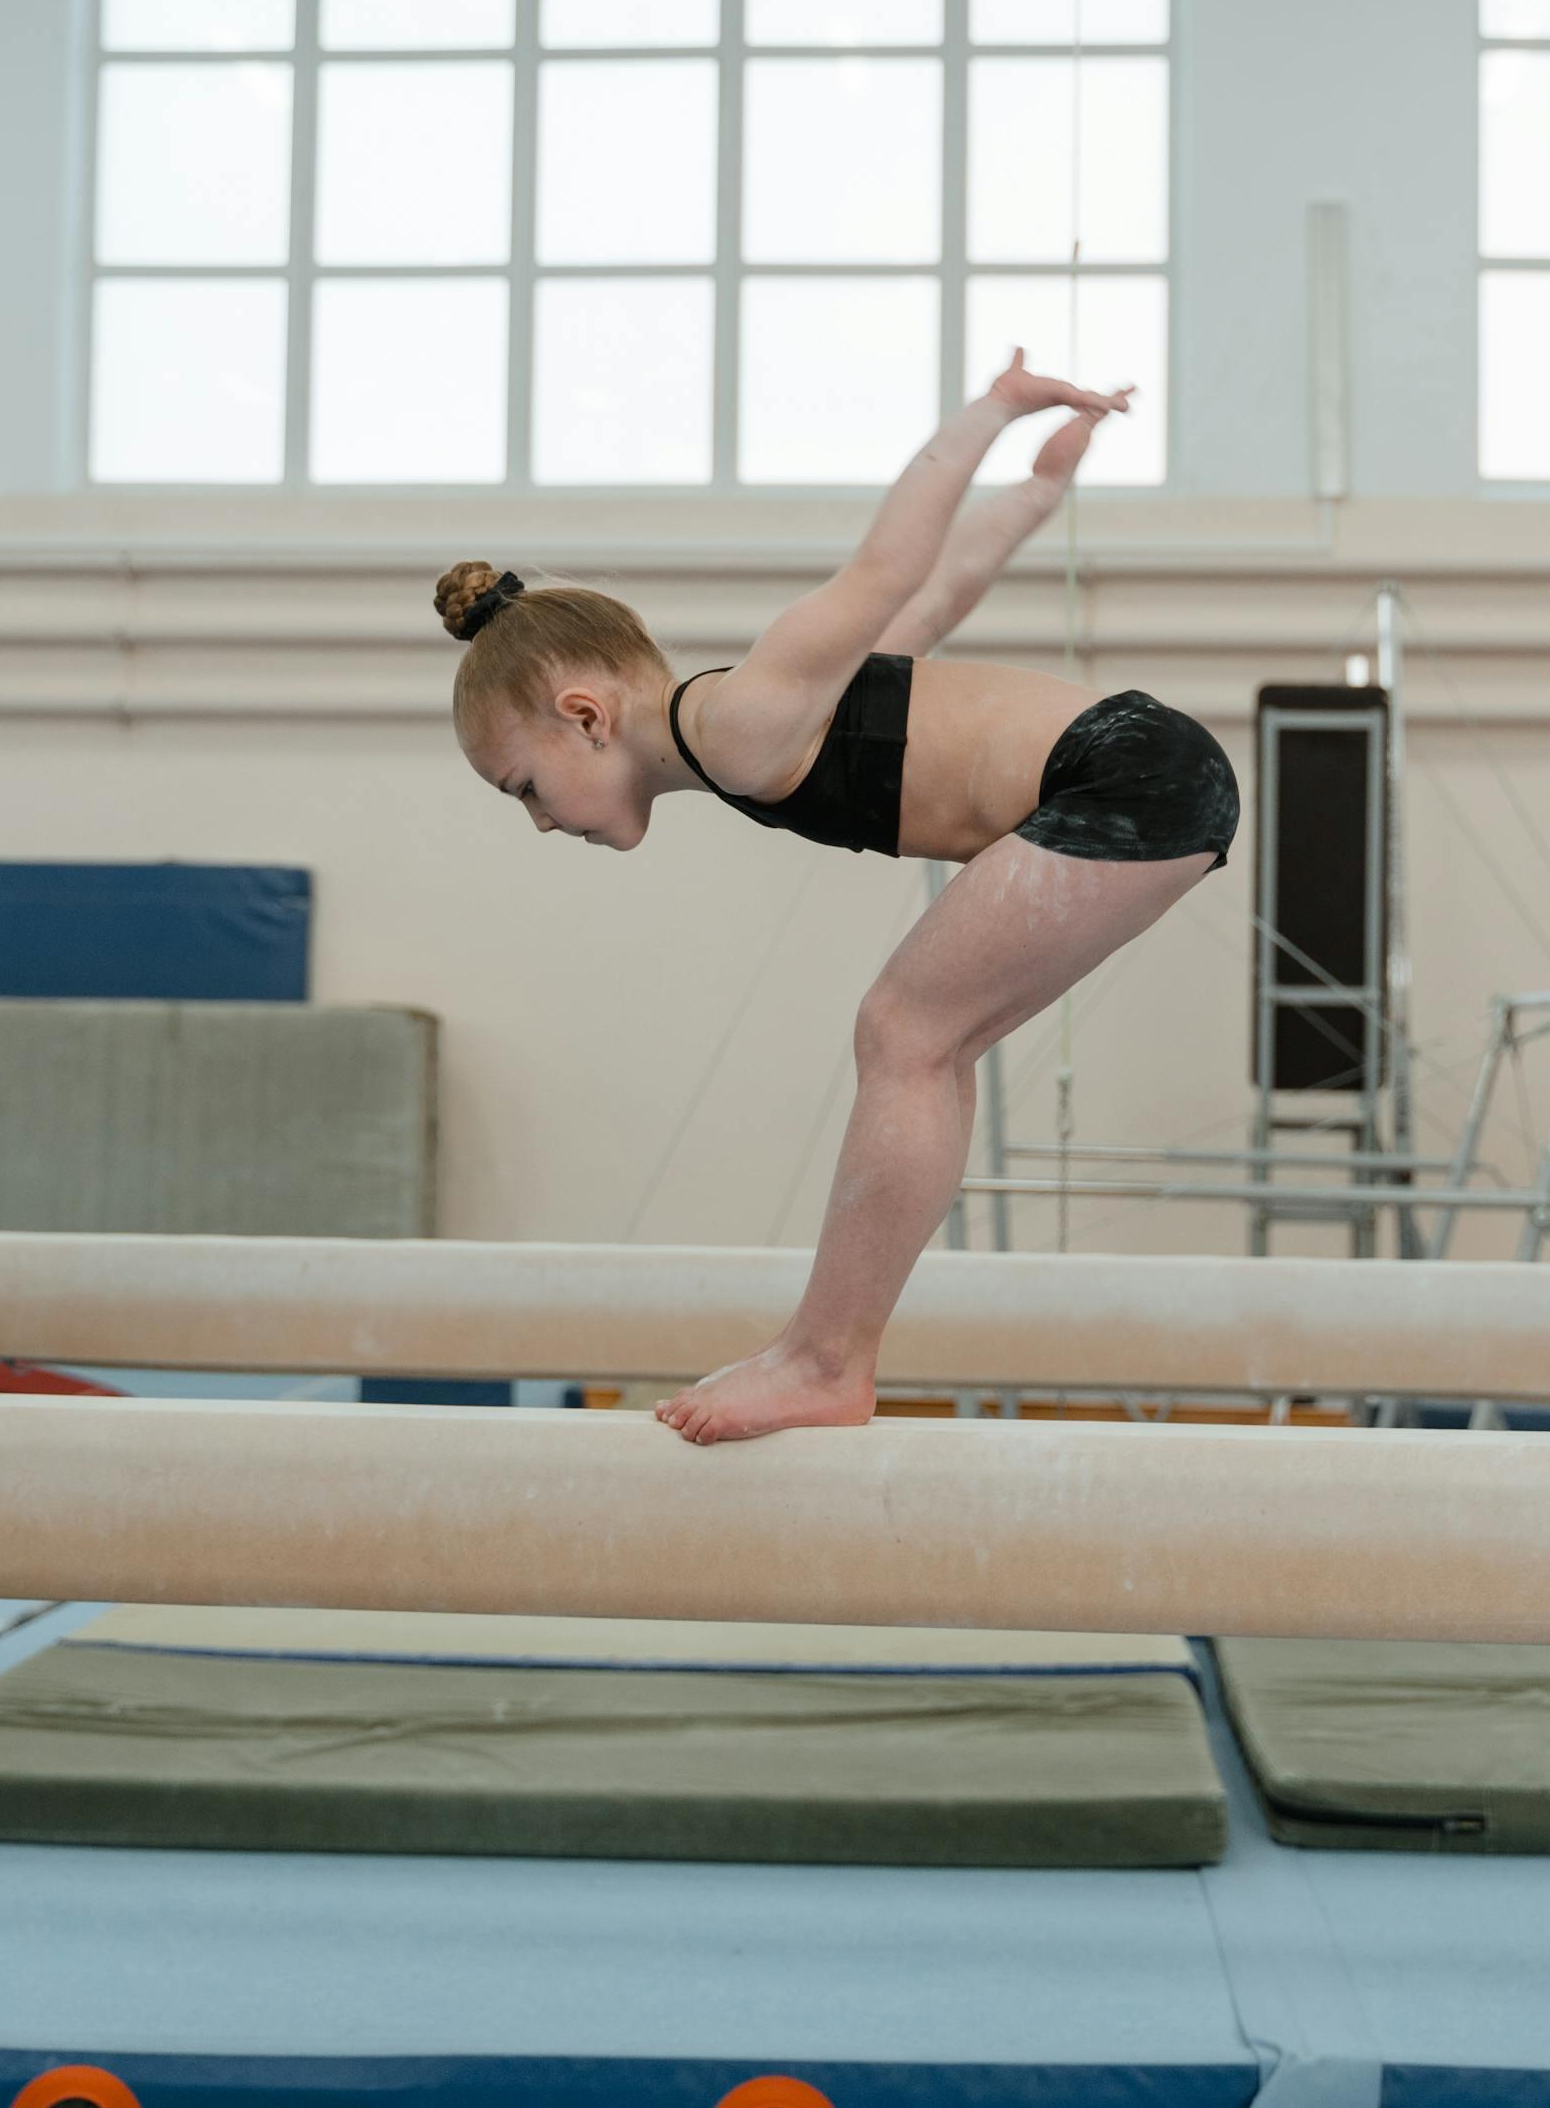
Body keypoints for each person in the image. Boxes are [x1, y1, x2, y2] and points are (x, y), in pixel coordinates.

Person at [434, 353, 1239, 1444]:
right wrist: (1038, 492)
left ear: (584, 715)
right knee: (924, 1040)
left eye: (523, 788)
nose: (538, 820)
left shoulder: (743, 720)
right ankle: (825, 1355)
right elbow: (943, 592)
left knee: (903, 1029)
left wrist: (992, 411)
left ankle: (824, 1360)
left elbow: (889, 569)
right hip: (1140, 772)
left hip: (1122, 772)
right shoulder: (766, 724)